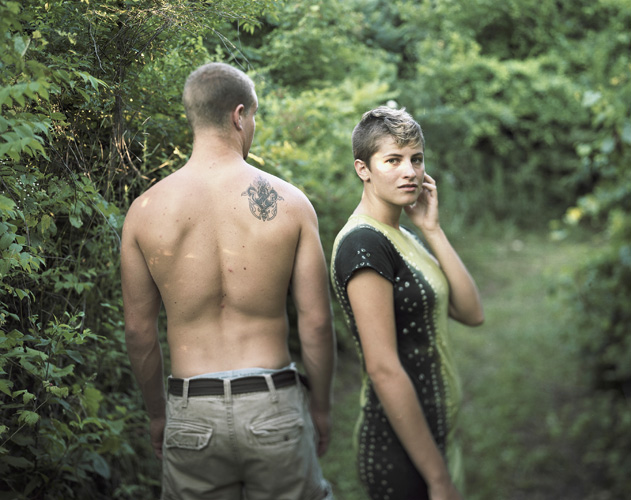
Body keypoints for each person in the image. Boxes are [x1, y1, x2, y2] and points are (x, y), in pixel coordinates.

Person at [121, 62, 336, 500]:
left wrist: (159, 415)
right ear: (239, 115)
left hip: (191, 409)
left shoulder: (143, 212)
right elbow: (316, 323)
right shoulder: (291, 203)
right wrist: (320, 407)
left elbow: (139, 332)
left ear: (193, 116)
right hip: (272, 403)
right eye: (253, 116)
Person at [330, 107, 484, 500]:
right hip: (400, 450)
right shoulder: (363, 243)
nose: (410, 172)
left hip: (436, 436)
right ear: (363, 169)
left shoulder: (401, 235)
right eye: (393, 160)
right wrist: (438, 479)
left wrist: (432, 229)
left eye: (416, 159)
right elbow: (383, 369)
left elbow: (471, 312)